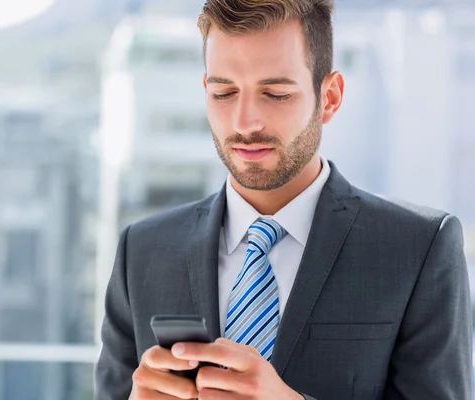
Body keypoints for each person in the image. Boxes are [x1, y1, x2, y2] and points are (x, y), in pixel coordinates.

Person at [94, 0, 473, 399]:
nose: (245, 123)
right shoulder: (143, 251)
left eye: (275, 93)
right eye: (224, 93)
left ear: (329, 98)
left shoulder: (418, 248)